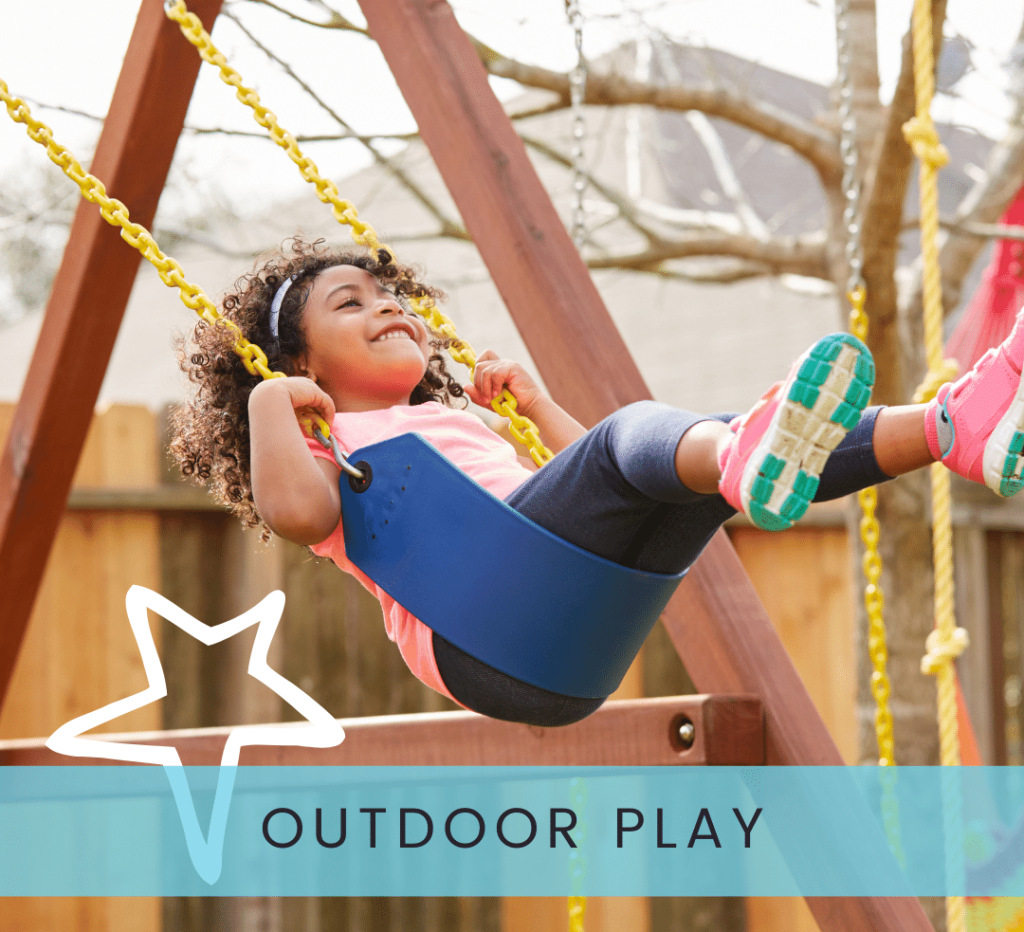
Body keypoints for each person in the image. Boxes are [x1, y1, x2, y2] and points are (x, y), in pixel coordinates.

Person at [171, 239, 1024, 727]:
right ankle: (741, 455)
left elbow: (607, 483)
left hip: (562, 636)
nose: (388, 306)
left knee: (684, 471)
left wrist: (539, 406)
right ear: (293, 359)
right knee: (652, 436)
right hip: (483, 634)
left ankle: (953, 428)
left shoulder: (458, 424)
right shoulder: (335, 449)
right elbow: (292, 513)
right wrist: (272, 404)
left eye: (392, 294)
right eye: (350, 304)